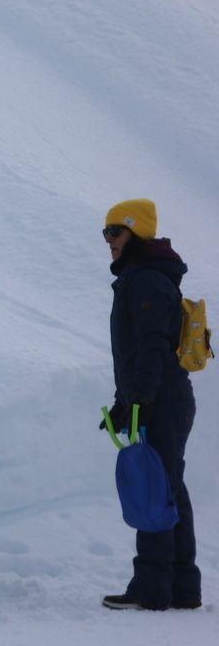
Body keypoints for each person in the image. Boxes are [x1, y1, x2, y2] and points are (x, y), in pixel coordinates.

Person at [99, 198, 201, 611]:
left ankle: (154, 587)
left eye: (115, 232)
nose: (108, 241)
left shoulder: (145, 280)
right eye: (105, 233)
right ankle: (181, 587)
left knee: (155, 488)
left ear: (136, 232)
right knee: (168, 486)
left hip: (160, 399)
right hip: (162, 397)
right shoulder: (147, 277)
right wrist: (126, 400)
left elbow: (151, 346)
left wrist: (139, 398)